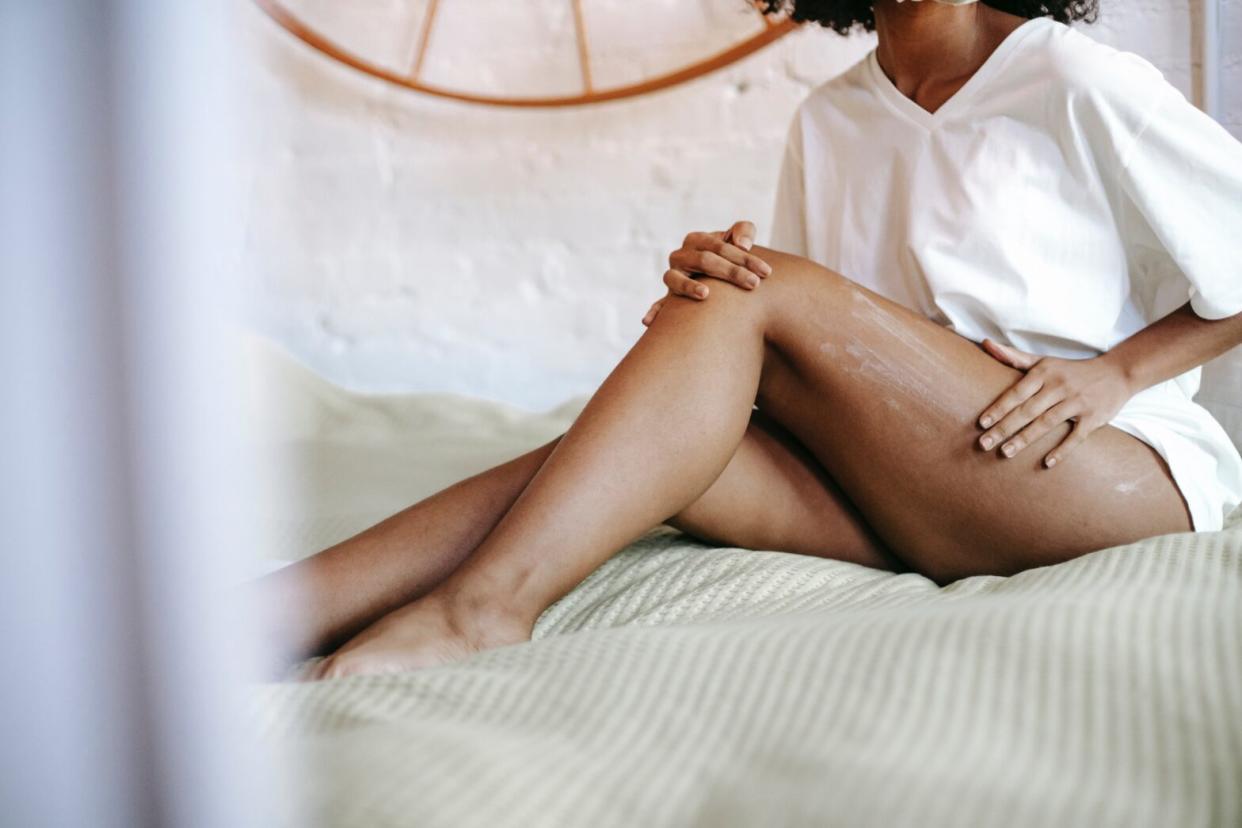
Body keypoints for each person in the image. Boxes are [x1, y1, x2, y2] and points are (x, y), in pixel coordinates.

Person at [255, 0, 1242, 680]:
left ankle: (480, 610)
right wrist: (709, 298)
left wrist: (1116, 374)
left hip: (1100, 480)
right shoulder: (833, 117)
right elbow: (810, 361)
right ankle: (265, 617)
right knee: (609, 462)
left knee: (749, 289)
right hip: (922, 494)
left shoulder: (1068, 77)